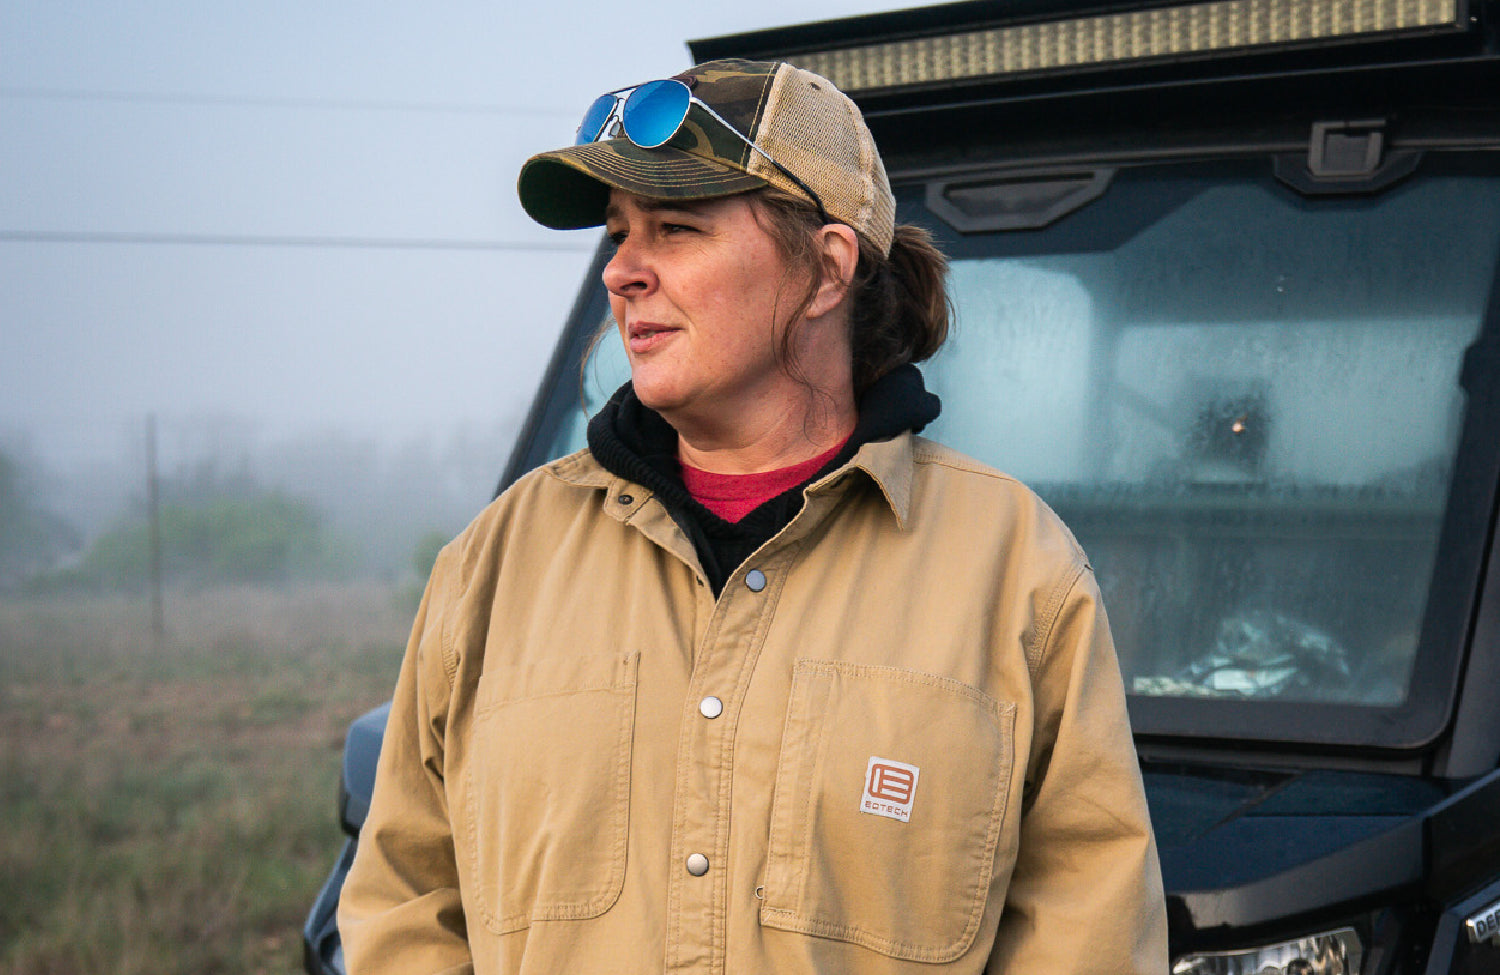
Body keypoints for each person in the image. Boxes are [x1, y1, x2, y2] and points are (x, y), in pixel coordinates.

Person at [338, 58, 1167, 974]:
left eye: (677, 229)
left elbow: (1089, 934)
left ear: (826, 270)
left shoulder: (1019, 572)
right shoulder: (494, 561)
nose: (621, 271)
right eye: (618, 234)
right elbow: (403, 903)